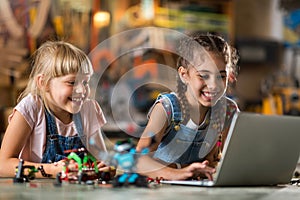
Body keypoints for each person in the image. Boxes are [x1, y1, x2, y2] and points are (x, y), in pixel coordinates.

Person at [136, 33, 240, 180]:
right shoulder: (166, 108)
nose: (213, 85)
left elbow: (232, 160)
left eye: (221, 76)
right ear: (184, 75)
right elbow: (139, 160)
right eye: (203, 76)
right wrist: (179, 173)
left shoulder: (228, 111)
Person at [0, 41, 111, 178]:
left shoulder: (88, 109)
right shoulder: (31, 108)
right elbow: (3, 165)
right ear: (43, 83)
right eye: (72, 82)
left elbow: (100, 160)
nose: (82, 90)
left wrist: (105, 168)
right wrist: (51, 170)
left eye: (85, 82)